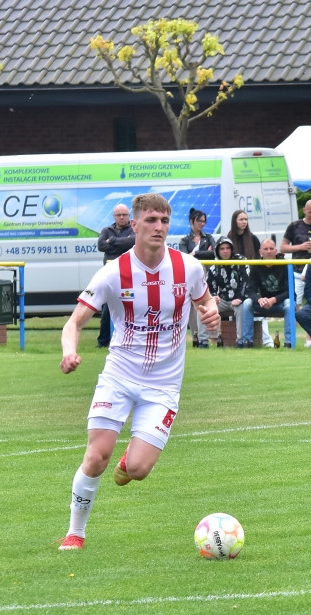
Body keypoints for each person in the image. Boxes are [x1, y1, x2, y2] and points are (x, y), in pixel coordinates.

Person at [57, 193, 220, 551]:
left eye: (163, 221)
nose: (158, 227)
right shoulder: (113, 273)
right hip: (118, 377)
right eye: (150, 220)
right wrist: (70, 353)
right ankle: (75, 533)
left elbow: (205, 302)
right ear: (134, 225)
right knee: (96, 456)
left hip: (163, 386)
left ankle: (128, 462)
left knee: (139, 470)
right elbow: (74, 323)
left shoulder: (188, 267)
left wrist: (212, 312)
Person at [240, 239, 295, 348]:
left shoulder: (285, 264)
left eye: (271, 249)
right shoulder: (255, 265)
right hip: (262, 303)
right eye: (266, 249)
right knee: (247, 303)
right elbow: (250, 290)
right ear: (260, 252)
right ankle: (247, 342)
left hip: (280, 302)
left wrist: (274, 299)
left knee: (289, 304)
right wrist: (259, 299)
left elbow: (290, 291)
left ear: (276, 251)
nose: (269, 251)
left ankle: (289, 343)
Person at [94, 204, 134, 348]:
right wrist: (121, 244)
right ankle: (103, 342)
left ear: (129, 216)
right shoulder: (106, 230)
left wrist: (112, 241)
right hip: (110, 276)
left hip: (128, 275)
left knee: (130, 309)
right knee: (106, 310)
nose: (122, 217)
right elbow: (100, 245)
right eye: (119, 215)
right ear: (114, 216)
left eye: (124, 214)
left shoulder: (133, 229)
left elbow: (132, 242)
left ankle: (128, 341)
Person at [178, 207, 217, 348]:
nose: (202, 224)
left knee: (206, 305)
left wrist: (195, 254)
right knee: (192, 308)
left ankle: (206, 340)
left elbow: (214, 253)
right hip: (191, 277)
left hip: (208, 276)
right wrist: (202, 253)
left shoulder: (209, 238)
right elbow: (184, 257)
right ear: (191, 221)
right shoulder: (184, 240)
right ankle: (196, 337)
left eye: (204, 221)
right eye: (199, 221)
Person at [207, 236, 253, 345]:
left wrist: (240, 298)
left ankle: (241, 341)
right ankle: (204, 341)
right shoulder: (214, 265)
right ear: (217, 251)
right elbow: (210, 287)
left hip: (239, 299)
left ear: (232, 249)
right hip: (222, 300)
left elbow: (246, 282)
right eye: (222, 249)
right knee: (206, 307)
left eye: (228, 248)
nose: (225, 251)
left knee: (242, 307)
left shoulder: (241, 261)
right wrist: (213, 296)